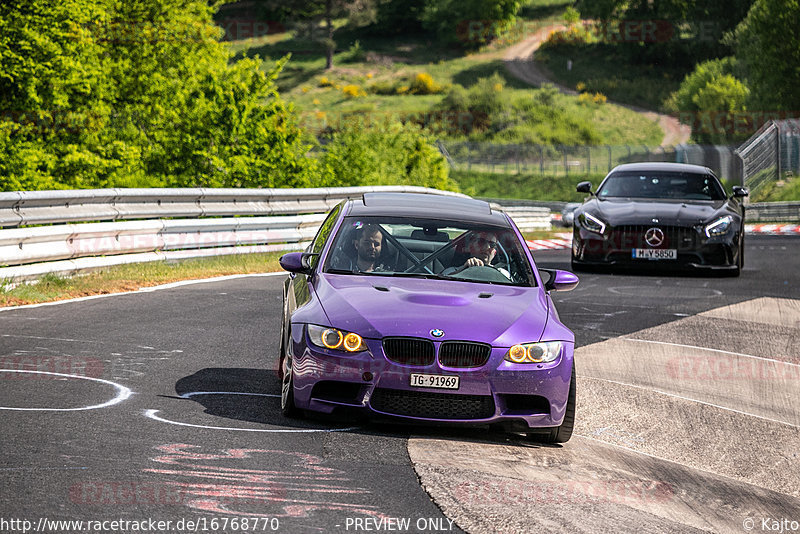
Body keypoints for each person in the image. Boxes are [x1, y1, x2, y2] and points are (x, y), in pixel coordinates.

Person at [442, 230, 508, 278]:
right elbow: (441, 284)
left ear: (494, 253)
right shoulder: (452, 271)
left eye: (492, 244)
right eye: (481, 242)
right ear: (470, 247)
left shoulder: (503, 274)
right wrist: (463, 270)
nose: (487, 247)